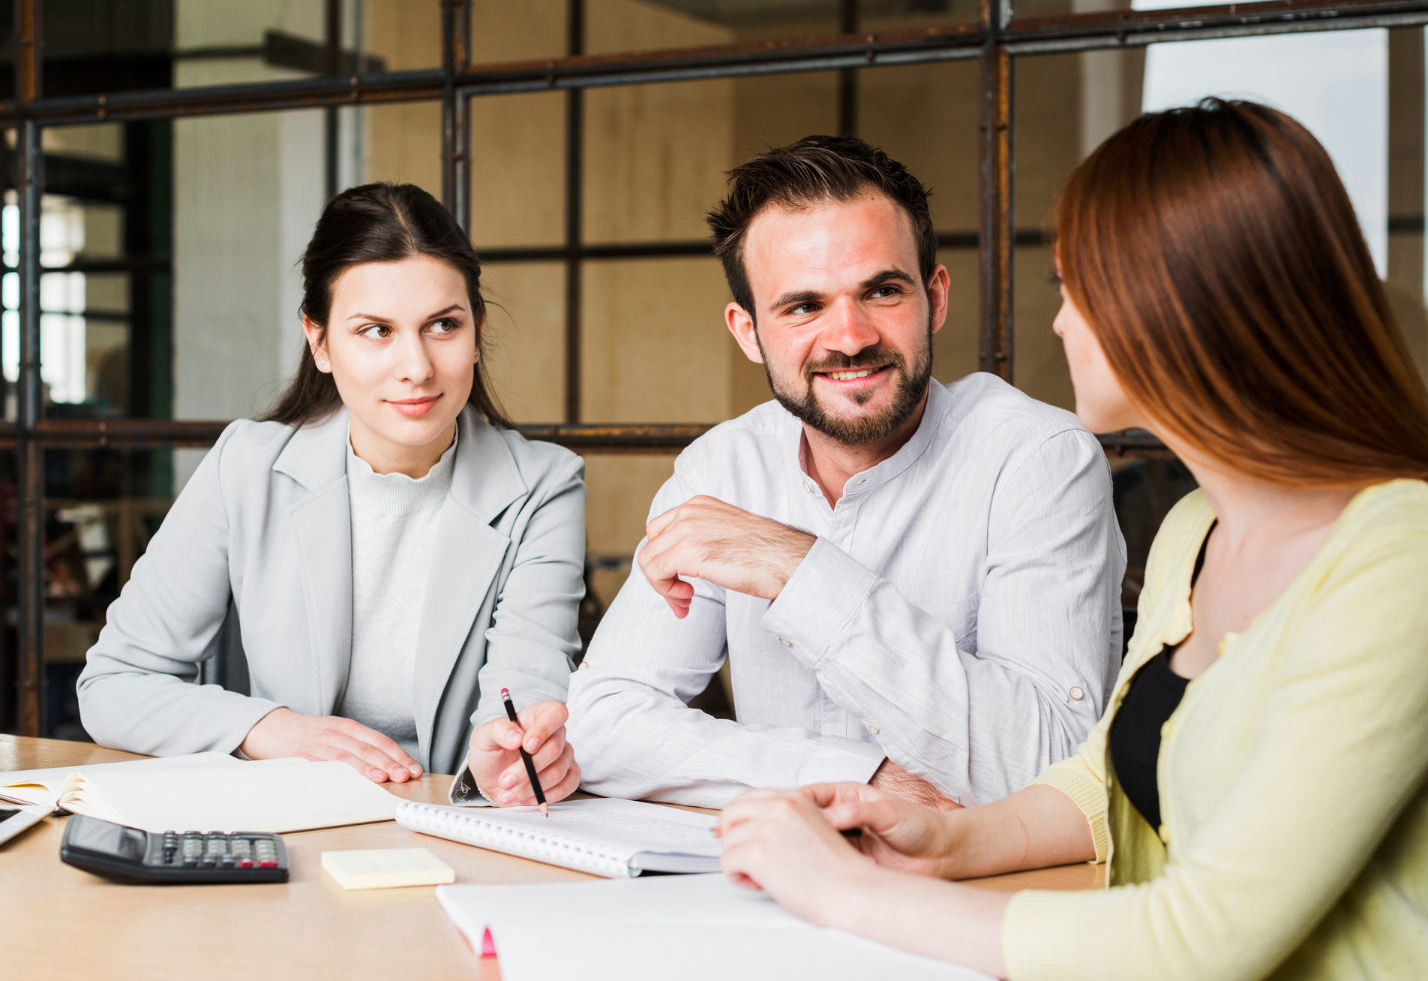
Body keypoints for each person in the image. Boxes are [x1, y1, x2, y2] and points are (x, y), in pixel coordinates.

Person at [714, 100, 1428, 980]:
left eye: (1075, 289)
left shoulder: (1412, 561)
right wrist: (945, 840)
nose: (1059, 325)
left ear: (1180, 304)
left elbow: (1203, 938)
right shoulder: (1197, 531)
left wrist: (846, 894)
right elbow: (1107, 775)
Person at [568, 135, 1126, 810]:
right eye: (804, 306)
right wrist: (853, 778)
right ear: (747, 331)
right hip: (767, 887)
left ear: (936, 297)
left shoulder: (1037, 459)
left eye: (882, 290)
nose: (851, 336)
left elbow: (1047, 764)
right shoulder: (722, 468)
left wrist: (798, 569)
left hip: (969, 901)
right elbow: (601, 723)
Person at [78, 183, 584, 809]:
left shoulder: (544, 486)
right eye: (375, 330)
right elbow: (115, 684)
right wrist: (271, 729)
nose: (417, 367)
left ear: (476, 333)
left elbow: (525, 684)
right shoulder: (247, 466)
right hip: (281, 830)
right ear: (319, 342)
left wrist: (509, 755)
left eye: (443, 326)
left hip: (453, 826)